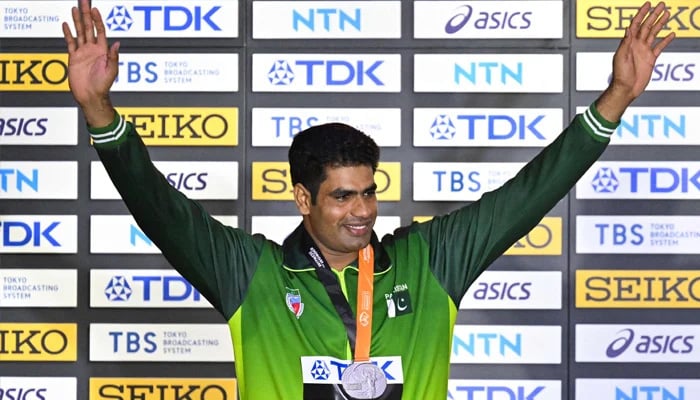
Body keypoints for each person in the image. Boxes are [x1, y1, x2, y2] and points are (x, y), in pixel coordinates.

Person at [63, 1, 675, 399]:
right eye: (342, 197)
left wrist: (617, 96)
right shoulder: (251, 273)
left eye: (370, 192)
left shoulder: (429, 260)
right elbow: (158, 208)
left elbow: (529, 193)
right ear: (303, 198)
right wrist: (97, 110)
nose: (362, 211)